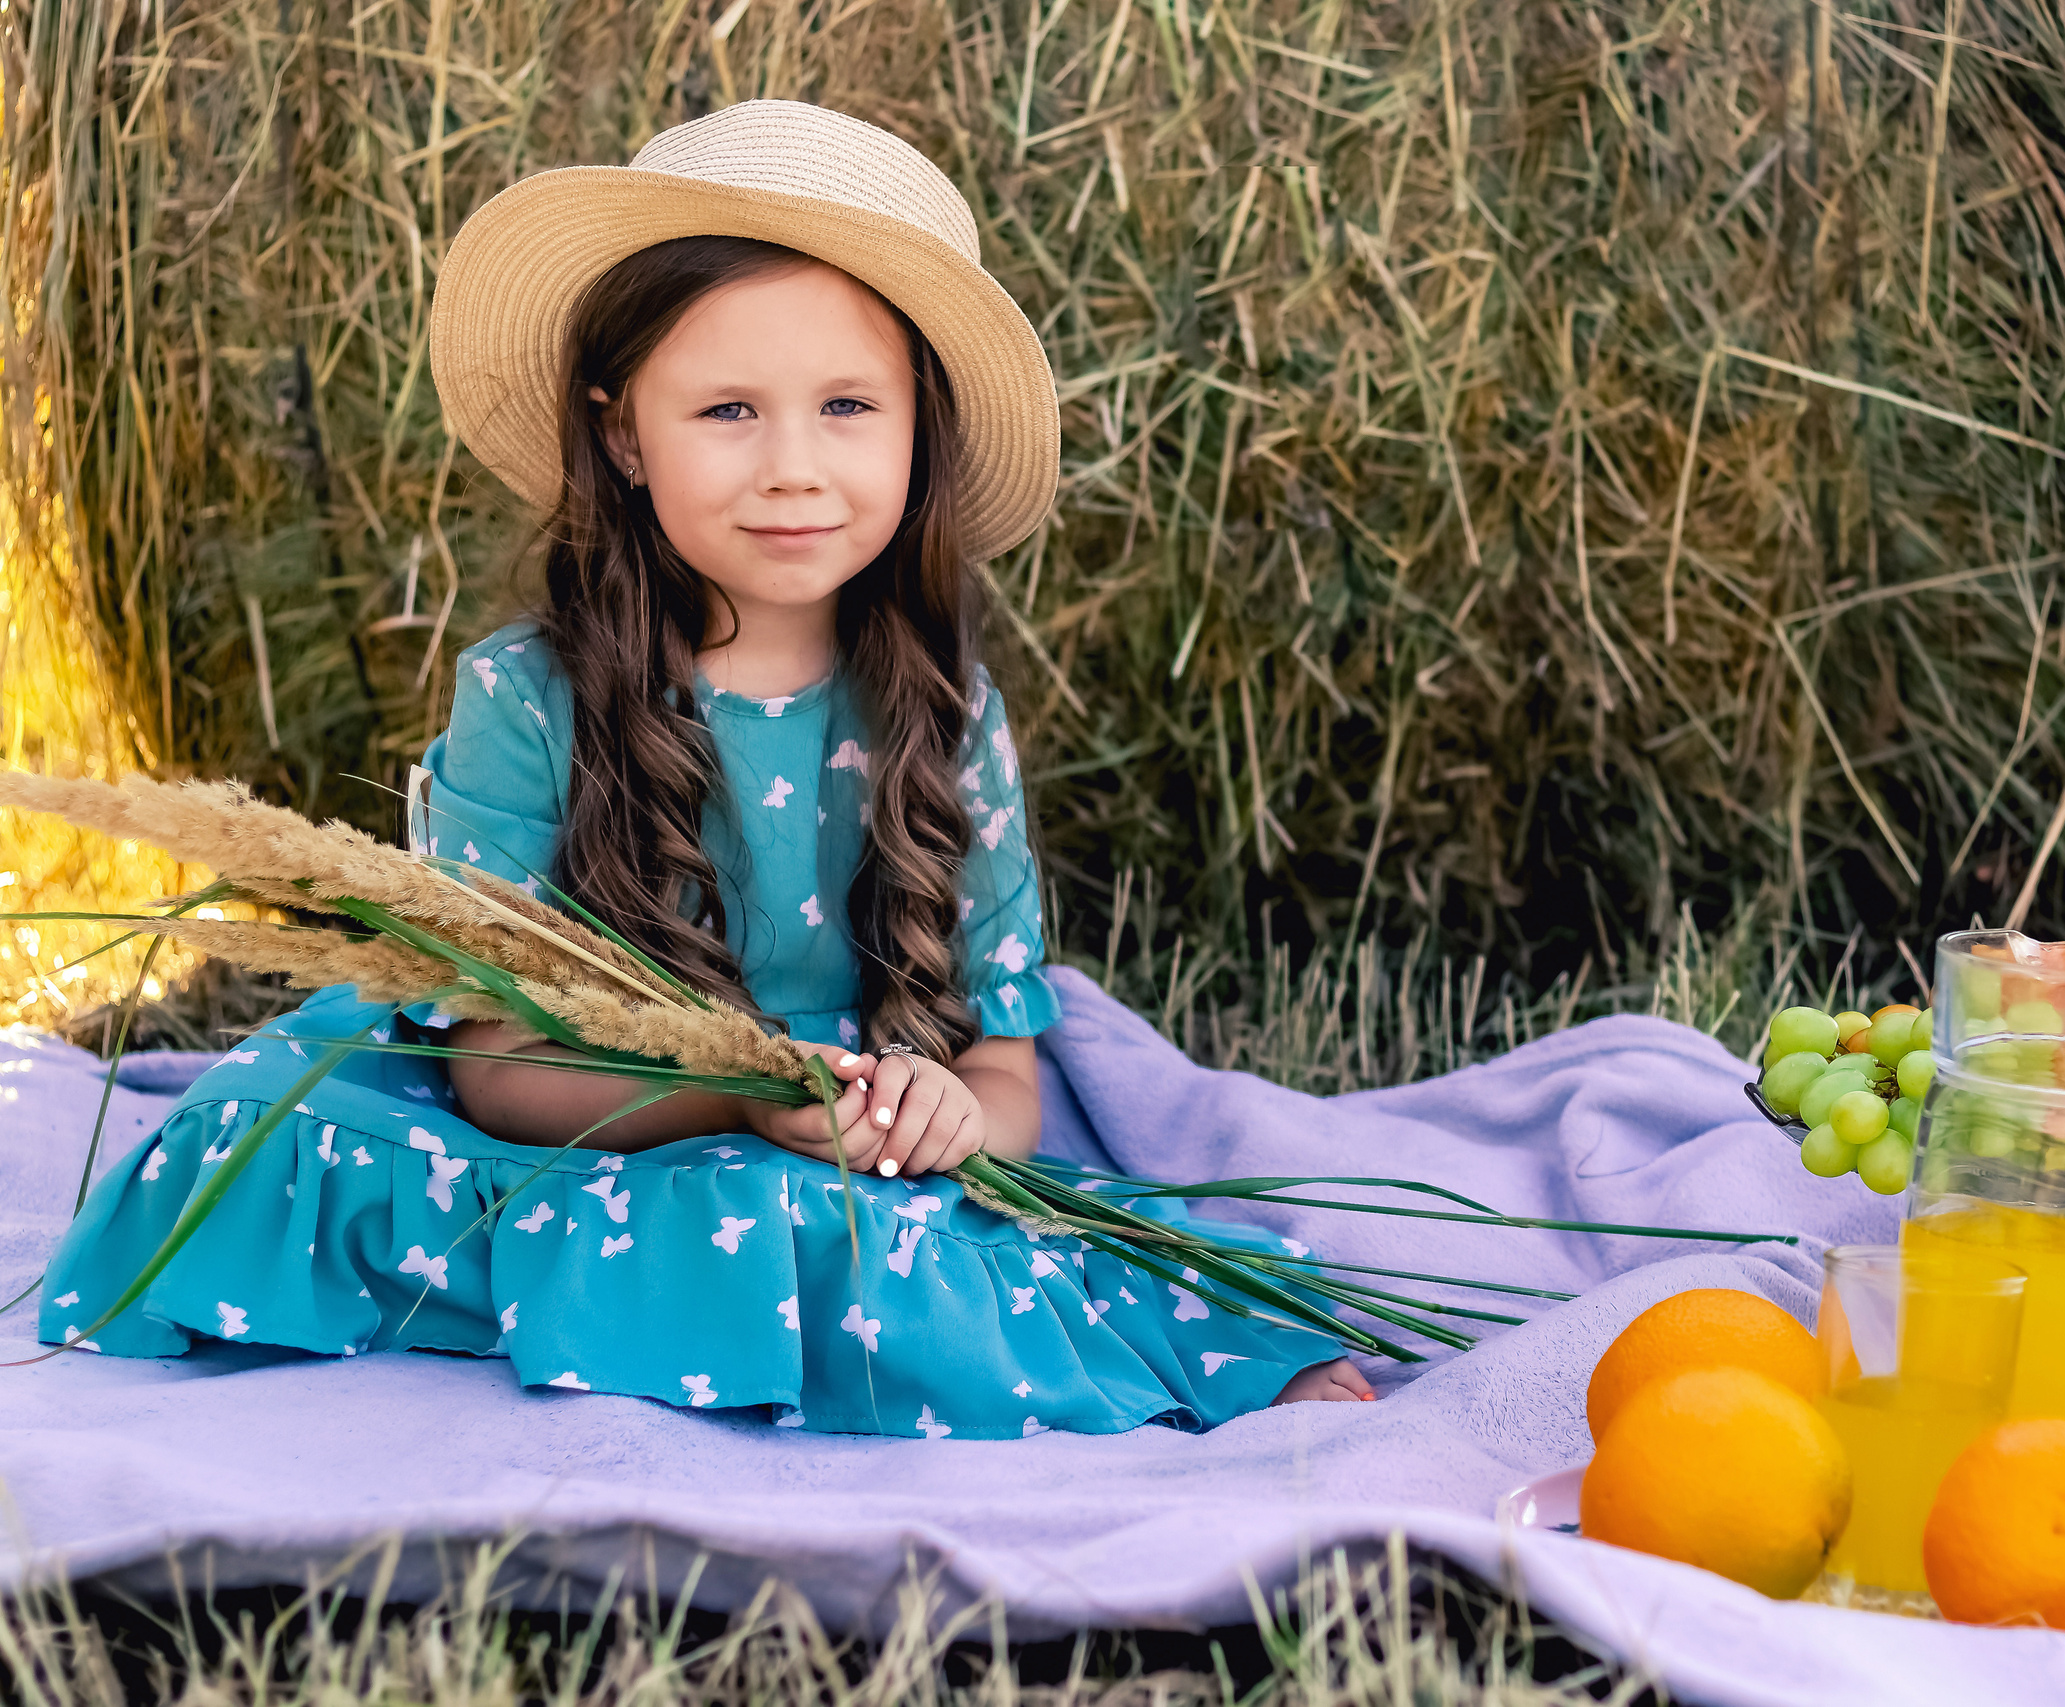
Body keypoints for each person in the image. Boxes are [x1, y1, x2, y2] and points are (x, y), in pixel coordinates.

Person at [35, 100, 1374, 1437]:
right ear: (624, 436)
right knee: (284, 1133)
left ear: (920, 432)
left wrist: (947, 1114)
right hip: (591, 1119)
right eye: (727, 409)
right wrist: (736, 1091)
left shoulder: (949, 716)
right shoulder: (529, 694)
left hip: (837, 1143)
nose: (793, 468)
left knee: (863, 1226)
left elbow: (1010, 1080)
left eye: (849, 405)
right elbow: (497, 1068)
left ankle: (750, 1298)